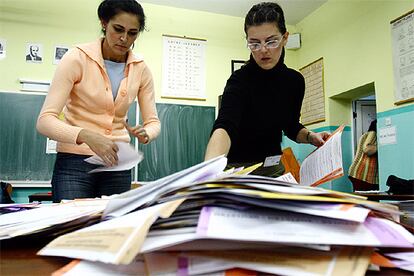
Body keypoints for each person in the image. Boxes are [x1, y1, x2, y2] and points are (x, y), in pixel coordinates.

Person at [37, 0, 160, 202]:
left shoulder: (141, 69)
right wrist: (86, 135)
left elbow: (153, 122)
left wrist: (148, 133)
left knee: (112, 227)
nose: (124, 38)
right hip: (74, 163)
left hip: (117, 164)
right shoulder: (77, 58)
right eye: (118, 29)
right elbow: (45, 121)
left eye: (132, 33)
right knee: (73, 227)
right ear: (104, 23)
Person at [204, 2, 330, 177]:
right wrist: (208, 170)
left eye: (271, 41)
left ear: (285, 38)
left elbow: (291, 127)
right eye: (254, 43)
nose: (263, 50)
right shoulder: (239, 81)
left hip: (273, 168)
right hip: (238, 169)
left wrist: (310, 137)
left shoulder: (294, 81)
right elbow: (225, 126)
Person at [348, 119, 379, 191]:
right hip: (362, 174)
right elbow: (367, 149)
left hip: (356, 172)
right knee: (367, 199)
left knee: (360, 198)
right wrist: (381, 147)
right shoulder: (373, 133)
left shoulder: (365, 135)